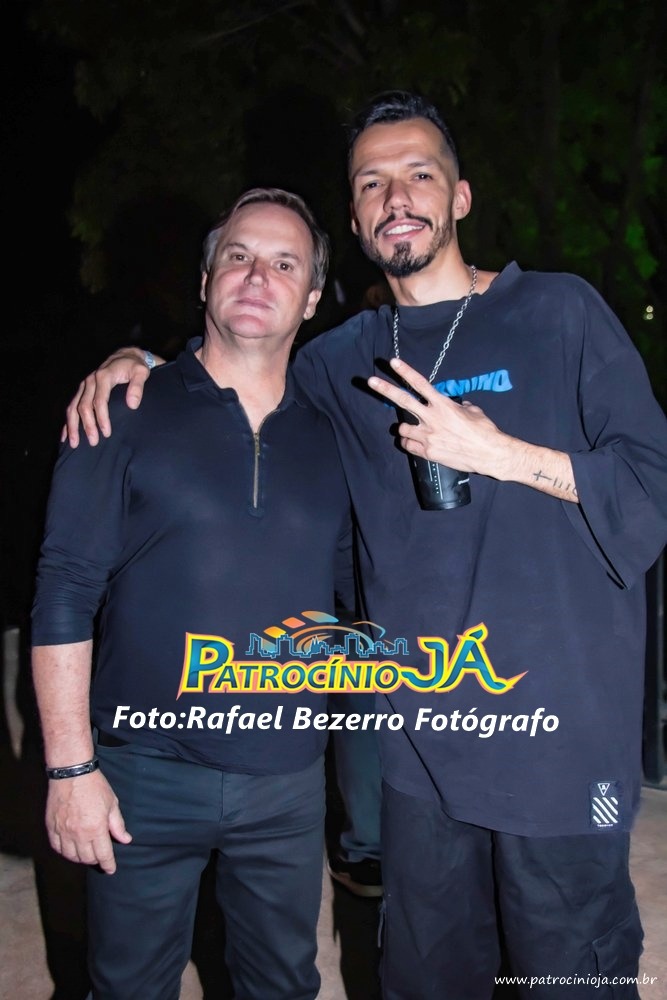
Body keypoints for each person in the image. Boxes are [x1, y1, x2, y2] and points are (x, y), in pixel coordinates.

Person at [64, 92, 667, 999]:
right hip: (420, 754)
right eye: (372, 182)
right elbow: (236, 371)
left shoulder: (558, 312)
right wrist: (140, 364)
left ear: (459, 196)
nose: (397, 196)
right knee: (424, 979)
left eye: (420, 173)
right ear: (353, 220)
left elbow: (650, 483)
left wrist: (500, 455)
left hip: (556, 744)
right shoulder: (338, 361)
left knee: (566, 981)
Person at [31, 188, 356, 1000]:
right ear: (207, 278)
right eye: (238, 256)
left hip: (286, 782)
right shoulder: (122, 410)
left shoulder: (335, 436)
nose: (257, 276)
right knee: (128, 987)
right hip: (140, 774)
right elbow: (65, 590)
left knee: (282, 986)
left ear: (311, 298)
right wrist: (71, 770)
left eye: (284, 264)